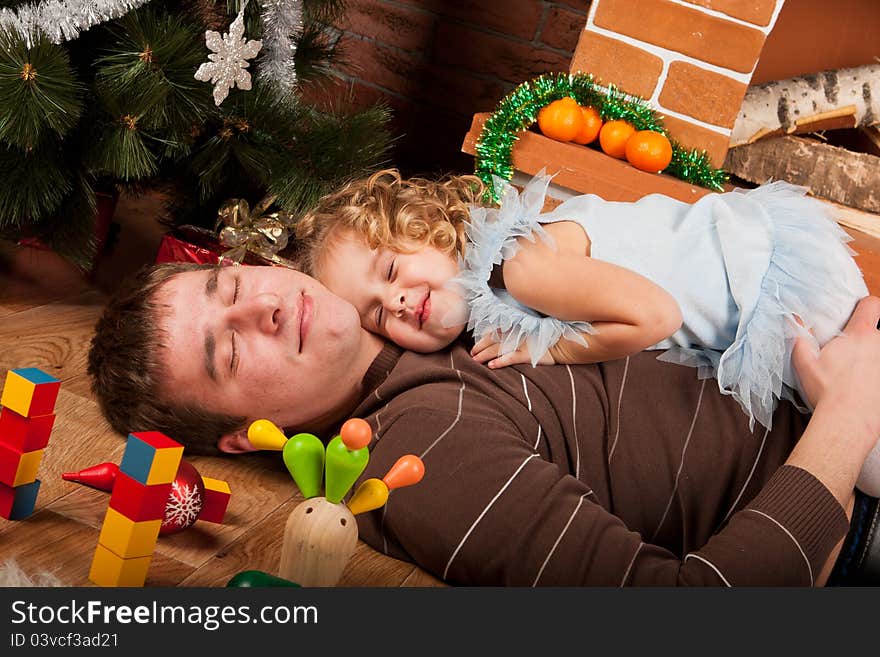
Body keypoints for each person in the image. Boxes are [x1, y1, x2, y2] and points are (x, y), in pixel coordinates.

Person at [87, 262, 880, 586]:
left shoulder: (421, 302)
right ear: (236, 433)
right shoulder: (418, 454)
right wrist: (849, 412)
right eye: (228, 349)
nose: (262, 304)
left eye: (231, 282)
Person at [292, 169, 880, 496]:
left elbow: (656, 317)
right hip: (759, 291)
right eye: (376, 314)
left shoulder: (522, 266)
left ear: (432, 230)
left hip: (770, 292)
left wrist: (548, 349)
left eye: (392, 270)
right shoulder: (500, 282)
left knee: (869, 460)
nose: (395, 300)